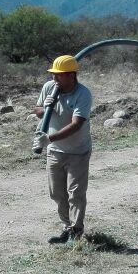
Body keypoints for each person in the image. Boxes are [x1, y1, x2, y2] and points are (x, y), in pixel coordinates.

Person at [33, 55, 93, 244]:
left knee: (75, 193)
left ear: (72, 75)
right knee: (57, 193)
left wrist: (48, 138)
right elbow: (37, 110)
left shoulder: (83, 94)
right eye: (53, 75)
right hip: (55, 151)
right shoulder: (49, 87)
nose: (54, 79)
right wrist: (46, 107)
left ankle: (77, 231)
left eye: (59, 75)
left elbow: (76, 124)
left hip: (78, 151)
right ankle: (67, 227)